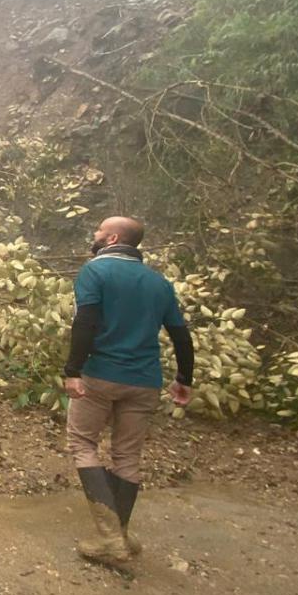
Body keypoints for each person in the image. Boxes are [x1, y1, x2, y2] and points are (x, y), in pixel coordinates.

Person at [63, 215, 195, 566]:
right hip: (145, 381)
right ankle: (119, 534)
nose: (94, 234)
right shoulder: (158, 282)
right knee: (127, 456)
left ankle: (109, 537)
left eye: (99, 230)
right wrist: (185, 379)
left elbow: (86, 321)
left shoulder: (96, 271)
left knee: (82, 443)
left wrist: (72, 370)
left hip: (101, 374)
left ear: (113, 238)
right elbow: (181, 334)